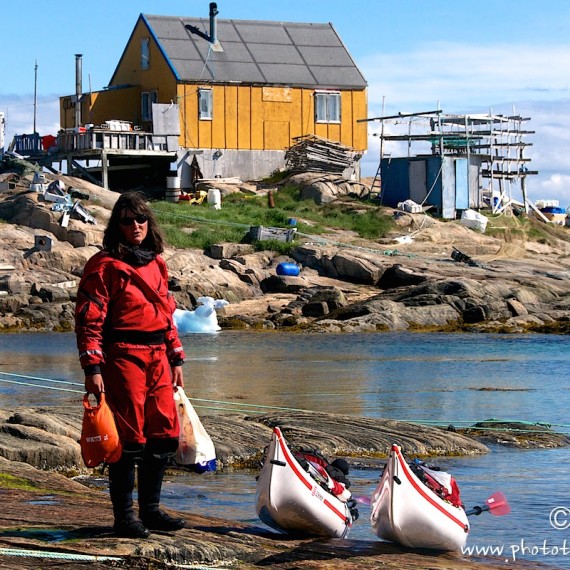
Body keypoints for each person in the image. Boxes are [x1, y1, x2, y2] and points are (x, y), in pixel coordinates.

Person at [75, 191, 186, 539]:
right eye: (127, 220)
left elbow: (167, 314)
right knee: (129, 438)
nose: (135, 226)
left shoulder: (157, 262)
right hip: (122, 356)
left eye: (141, 219)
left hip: (157, 357)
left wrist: (176, 355)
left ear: (148, 223)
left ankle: (150, 511)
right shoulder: (103, 265)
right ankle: (125, 517)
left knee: (165, 435)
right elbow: (89, 321)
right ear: (117, 226)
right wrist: (93, 368)